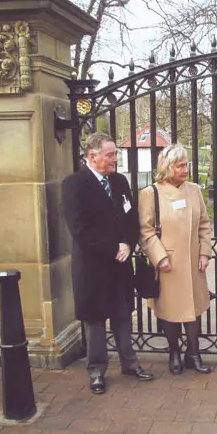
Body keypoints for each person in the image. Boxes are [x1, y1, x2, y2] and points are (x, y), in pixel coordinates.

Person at [62, 132, 154, 395]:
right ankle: (96, 371)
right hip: (93, 266)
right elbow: (79, 230)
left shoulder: (120, 181)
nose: (116, 159)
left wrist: (128, 243)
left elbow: (130, 217)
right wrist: (113, 248)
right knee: (95, 320)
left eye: (115, 154)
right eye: (111, 154)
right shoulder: (74, 185)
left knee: (123, 314)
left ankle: (130, 364)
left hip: (120, 264)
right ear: (93, 156)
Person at [139, 144, 213, 375]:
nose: (185, 169)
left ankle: (194, 353)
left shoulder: (193, 190)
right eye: (180, 165)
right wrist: (159, 257)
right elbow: (146, 230)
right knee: (171, 311)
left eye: (186, 164)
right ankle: (174, 353)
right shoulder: (151, 193)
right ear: (167, 167)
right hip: (168, 264)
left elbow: (204, 224)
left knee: (194, 309)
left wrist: (204, 253)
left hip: (192, 262)